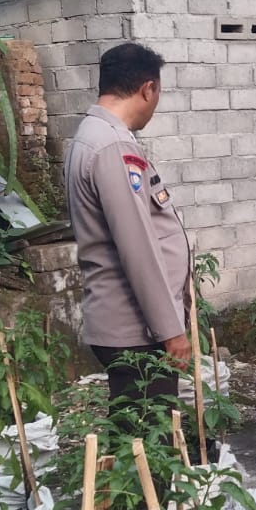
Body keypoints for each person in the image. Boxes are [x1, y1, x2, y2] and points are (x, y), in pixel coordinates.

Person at [64, 42, 192, 427]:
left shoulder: (89, 136)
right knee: (149, 440)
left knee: (133, 434)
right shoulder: (113, 147)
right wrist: (171, 331)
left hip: (124, 325)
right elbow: (138, 247)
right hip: (136, 330)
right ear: (148, 89)